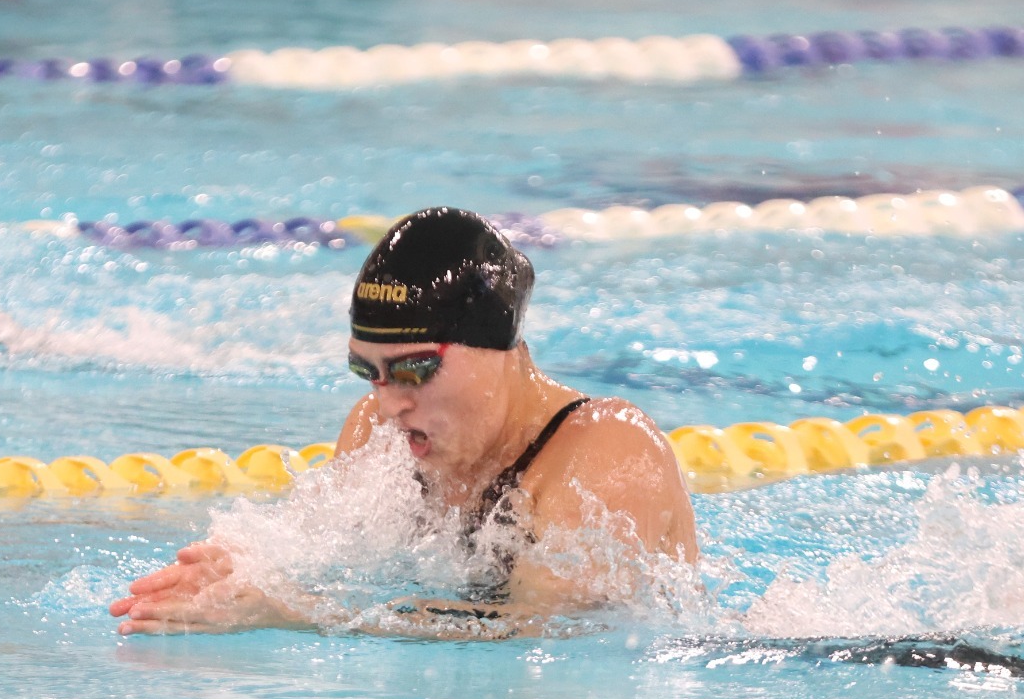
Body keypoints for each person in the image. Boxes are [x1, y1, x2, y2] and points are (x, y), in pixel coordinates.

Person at [110, 206, 698, 636]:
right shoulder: (375, 426)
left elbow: (546, 630)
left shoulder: (605, 450)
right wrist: (246, 572)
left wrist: (293, 613)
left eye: (414, 371)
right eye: (367, 371)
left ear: (496, 352)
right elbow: (331, 559)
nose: (389, 404)